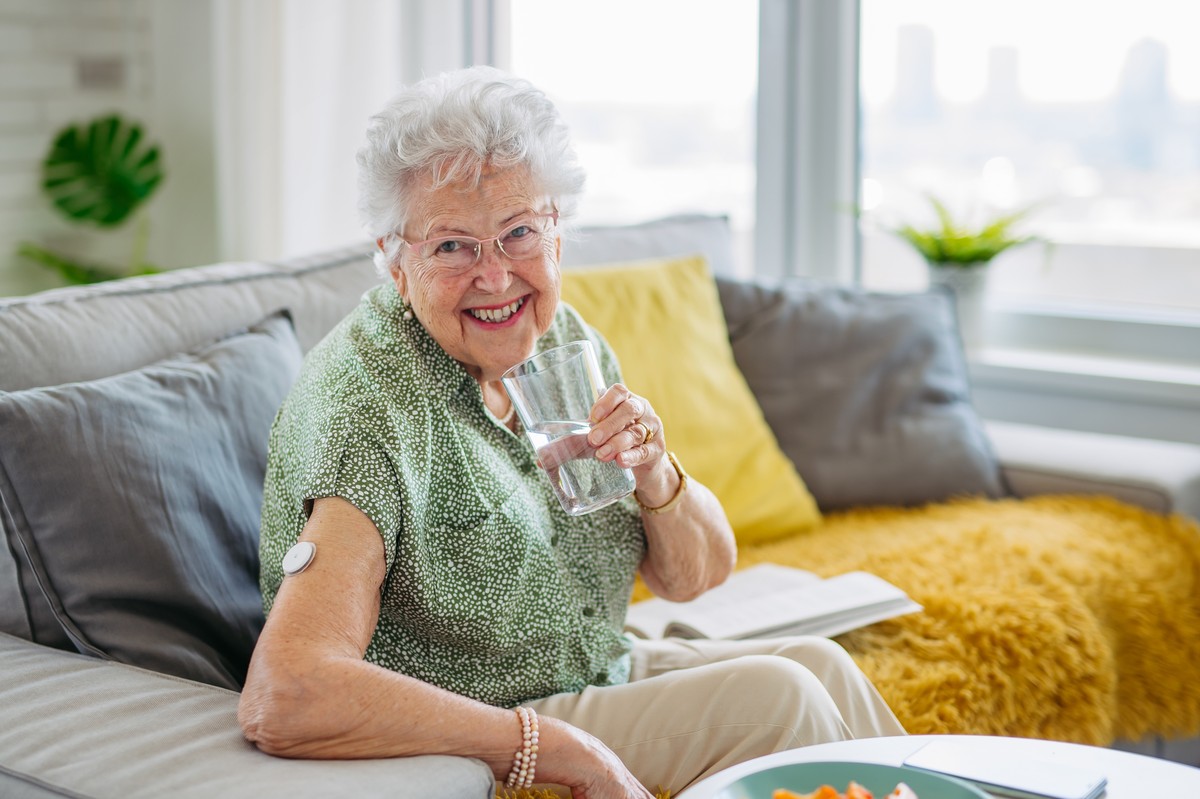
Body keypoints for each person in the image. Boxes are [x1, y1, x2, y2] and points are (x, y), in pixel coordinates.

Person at [237, 65, 905, 798]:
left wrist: (655, 470)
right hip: (487, 713)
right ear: (395, 262)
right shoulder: (365, 408)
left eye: (518, 233)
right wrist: (545, 745)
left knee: (823, 666)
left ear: (557, 230)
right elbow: (287, 691)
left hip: (592, 663)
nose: (496, 277)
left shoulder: (560, 344)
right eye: (453, 246)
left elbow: (695, 576)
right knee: (785, 699)